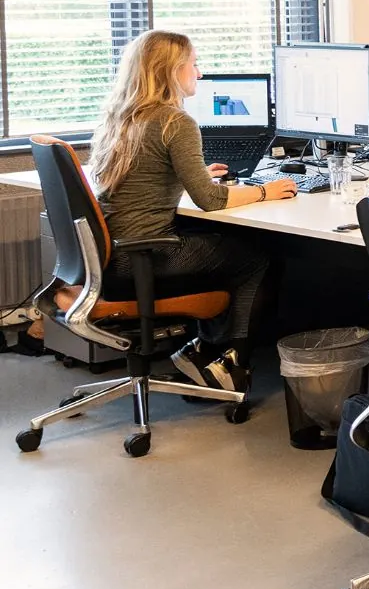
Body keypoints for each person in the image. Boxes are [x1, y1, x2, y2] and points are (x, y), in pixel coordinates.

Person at [90, 30, 296, 391]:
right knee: (257, 257)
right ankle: (229, 363)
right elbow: (210, 201)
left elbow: (146, 173)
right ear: (172, 71)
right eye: (194, 65)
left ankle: (202, 352)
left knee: (224, 242)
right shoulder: (175, 122)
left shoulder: (122, 116)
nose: (199, 73)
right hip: (144, 256)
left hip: (112, 256)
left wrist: (196, 175)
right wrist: (267, 190)